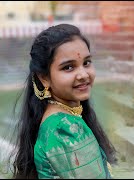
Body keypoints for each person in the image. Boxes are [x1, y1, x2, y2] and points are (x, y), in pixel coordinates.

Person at [9, 24, 116, 179]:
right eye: (68, 67)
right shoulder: (64, 129)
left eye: (86, 63)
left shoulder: (62, 118)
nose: (83, 74)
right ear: (44, 78)